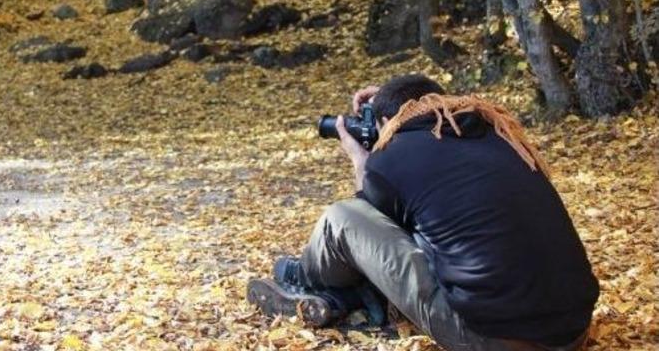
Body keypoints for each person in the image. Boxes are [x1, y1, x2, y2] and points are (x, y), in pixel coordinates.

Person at [247, 74, 599, 351]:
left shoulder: (394, 157)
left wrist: (362, 162)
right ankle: (348, 298)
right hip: (574, 330)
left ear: (387, 121)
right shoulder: (498, 133)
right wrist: (392, 96)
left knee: (343, 218)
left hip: (493, 339)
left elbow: (369, 228)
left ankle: (306, 279)